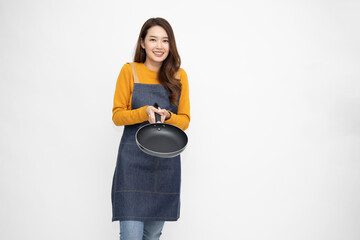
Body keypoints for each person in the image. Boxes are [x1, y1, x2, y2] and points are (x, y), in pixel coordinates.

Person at [111, 17, 190, 240]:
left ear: (170, 45)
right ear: (143, 43)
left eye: (165, 40)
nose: (159, 46)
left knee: (152, 235)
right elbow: (117, 116)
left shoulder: (179, 75)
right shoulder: (130, 71)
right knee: (131, 235)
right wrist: (143, 112)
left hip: (165, 165)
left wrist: (168, 116)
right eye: (153, 39)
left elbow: (184, 121)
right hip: (131, 166)